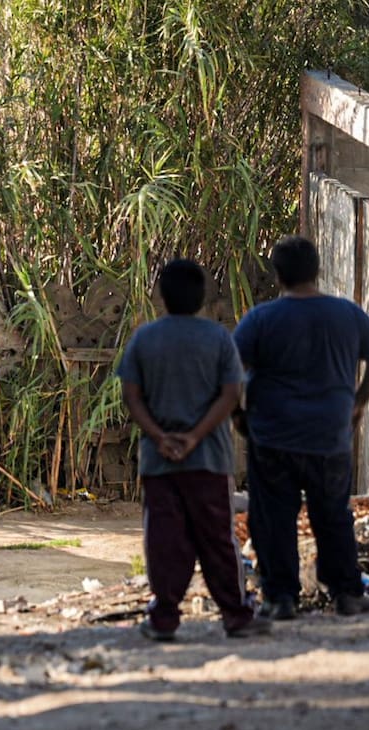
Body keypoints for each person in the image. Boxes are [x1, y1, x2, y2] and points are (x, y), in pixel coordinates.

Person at [233, 235, 369, 619]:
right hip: (329, 436)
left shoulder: (261, 319)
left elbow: (229, 369)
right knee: (333, 514)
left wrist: (238, 415)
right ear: (317, 270)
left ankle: (280, 598)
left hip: (272, 438)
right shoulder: (346, 314)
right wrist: (359, 400)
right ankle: (346, 594)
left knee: (274, 518)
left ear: (277, 274)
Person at [117, 258, 270, 641]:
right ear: (202, 297)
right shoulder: (217, 338)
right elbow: (231, 394)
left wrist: (160, 436)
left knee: (164, 541)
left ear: (161, 296)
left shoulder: (144, 338)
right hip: (209, 459)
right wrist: (196, 436)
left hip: (159, 462)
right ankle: (236, 615)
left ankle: (164, 618)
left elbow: (131, 396)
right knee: (217, 538)